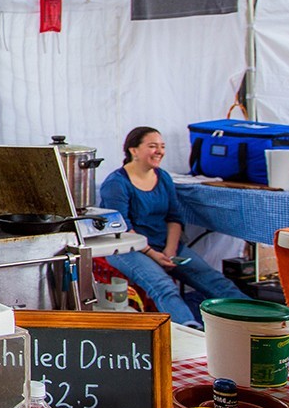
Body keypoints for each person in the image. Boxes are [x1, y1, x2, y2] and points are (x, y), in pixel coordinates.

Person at [99, 126, 250, 328]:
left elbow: (174, 218)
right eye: (152, 146)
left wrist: (170, 250)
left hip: (164, 245)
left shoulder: (163, 178)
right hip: (127, 248)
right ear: (133, 150)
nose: (159, 151)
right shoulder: (116, 183)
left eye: (162, 146)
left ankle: (259, 322)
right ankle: (190, 330)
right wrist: (153, 254)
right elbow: (122, 228)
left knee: (214, 280)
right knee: (164, 287)